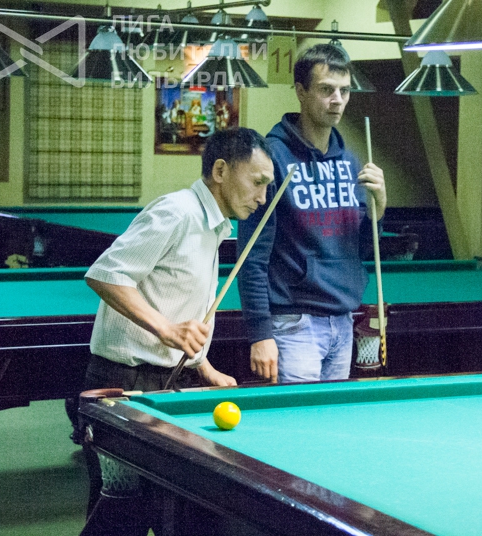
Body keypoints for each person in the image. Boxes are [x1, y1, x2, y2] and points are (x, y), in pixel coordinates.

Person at [79, 127, 274, 536]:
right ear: (220, 171)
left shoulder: (216, 225)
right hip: (125, 383)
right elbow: (105, 274)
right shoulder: (177, 212)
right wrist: (166, 329)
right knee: (122, 518)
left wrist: (203, 365)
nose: (262, 197)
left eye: (267, 186)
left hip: (168, 382)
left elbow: (179, 302)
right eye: (257, 182)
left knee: (183, 512)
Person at [237, 43, 386, 384]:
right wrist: (260, 333)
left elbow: (362, 249)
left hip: (343, 320)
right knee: (296, 415)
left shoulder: (350, 160)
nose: (337, 100)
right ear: (301, 91)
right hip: (294, 324)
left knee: (330, 415)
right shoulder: (272, 159)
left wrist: (379, 207)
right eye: (326, 90)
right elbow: (252, 256)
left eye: (344, 91)